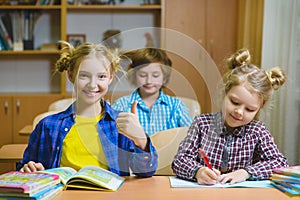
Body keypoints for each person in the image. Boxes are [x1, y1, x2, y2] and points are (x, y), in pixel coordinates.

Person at [17, 41, 158, 177]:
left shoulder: (121, 124)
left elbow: (145, 171)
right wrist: (29, 169)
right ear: (71, 76)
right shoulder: (47, 125)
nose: (92, 85)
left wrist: (141, 139)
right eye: (84, 76)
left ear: (110, 78)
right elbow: (24, 168)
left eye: (101, 76)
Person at [172, 48, 289, 185]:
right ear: (224, 94)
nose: (239, 112)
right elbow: (180, 160)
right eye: (234, 102)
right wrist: (198, 171)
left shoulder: (257, 131)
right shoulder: (202, 124)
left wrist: (245, 172)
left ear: (258, 109)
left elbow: (280, 163)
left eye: (250, 109)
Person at [112, 48, 193, 136]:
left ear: (164, 78)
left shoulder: (176, 106)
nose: (149, 81)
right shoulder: (122, 105)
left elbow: (194, 136)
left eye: (155, 75)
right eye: (143, 75)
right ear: (134, 76)